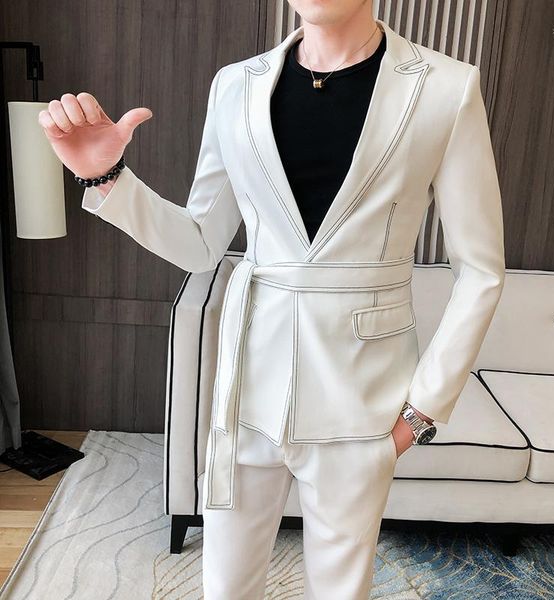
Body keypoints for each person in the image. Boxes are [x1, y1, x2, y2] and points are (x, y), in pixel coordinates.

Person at [40, 0, 505, 598]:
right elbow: (201, 242)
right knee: (226, 584)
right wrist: (107, 178)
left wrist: (422, 412)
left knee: (340, 588)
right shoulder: (237, 85)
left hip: (361, 398)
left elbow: (480, 271)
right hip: (246, 386)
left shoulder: (445, 87)